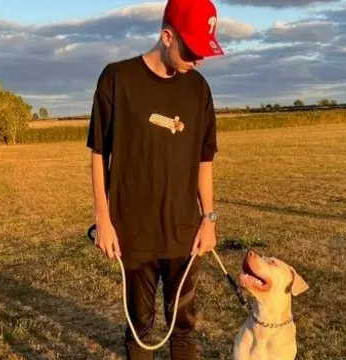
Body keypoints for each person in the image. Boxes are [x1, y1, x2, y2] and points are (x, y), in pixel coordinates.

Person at [85, 0, 225, 358]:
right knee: (140, 332)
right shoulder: (117, 79)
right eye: (191, 50)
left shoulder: (198, 89)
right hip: (133, 232)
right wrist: (103, 218)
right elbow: (99, 153)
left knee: (184, 331)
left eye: (203, 51)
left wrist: (208, 219)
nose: (198, 60)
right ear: (167, 36)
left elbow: (203, 160)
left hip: (183, 232)